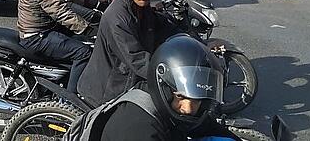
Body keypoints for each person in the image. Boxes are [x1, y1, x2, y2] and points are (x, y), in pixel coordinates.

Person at [92, 35, 236, 141]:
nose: (188, 108)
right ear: (164, 86)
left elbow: (203, 125)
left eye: (197, 100)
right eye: (181, 96)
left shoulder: (172, 106)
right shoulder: (138, 128)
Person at [79, 0, 178, 106]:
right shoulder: (117, 17)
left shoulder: (140, 7)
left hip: (129, 82)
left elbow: (162, 27)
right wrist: (172, 77)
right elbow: (137, 59)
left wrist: (192, 41)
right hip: (108, 91)